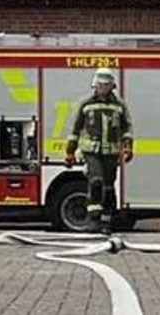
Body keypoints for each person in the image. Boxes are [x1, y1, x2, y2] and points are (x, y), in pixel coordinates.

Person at [64, 67, 134, 233]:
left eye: (106, 85)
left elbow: (127, 128)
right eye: (100, 85)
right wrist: (70, 152)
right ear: (95, 85)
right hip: (91, 151)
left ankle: (106, 222)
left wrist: (128, 147)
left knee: (109, 187)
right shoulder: (86, 104)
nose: (103, 88)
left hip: (111, 152)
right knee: (96, 181)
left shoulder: (119, 105)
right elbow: (75, 129)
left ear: (112, 86)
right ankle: (94, 219)